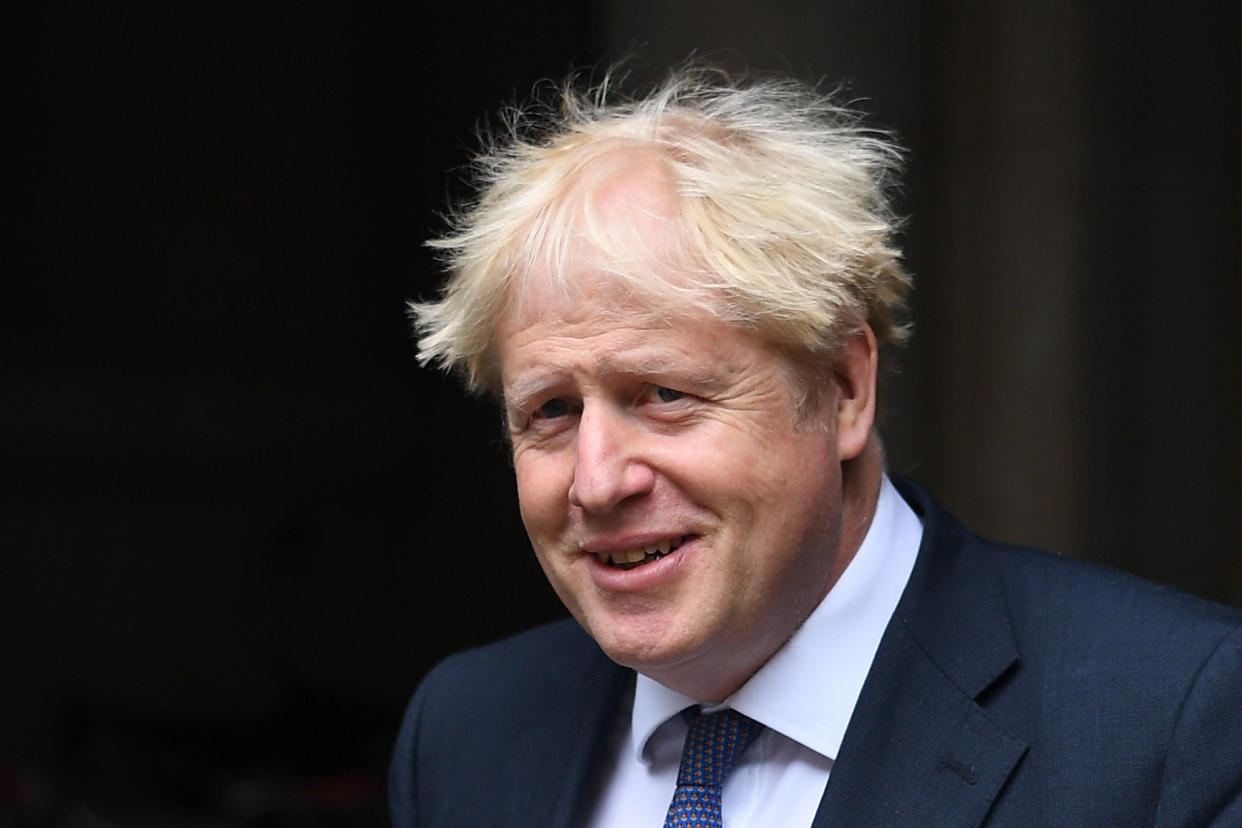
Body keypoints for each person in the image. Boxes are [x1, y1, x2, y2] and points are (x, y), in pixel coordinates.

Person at [389, 65, 1242, 827]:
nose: (598, 480)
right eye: (551, 412)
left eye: (665, 395)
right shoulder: (464, 734)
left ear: (842, 389)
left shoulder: (1173, 720)